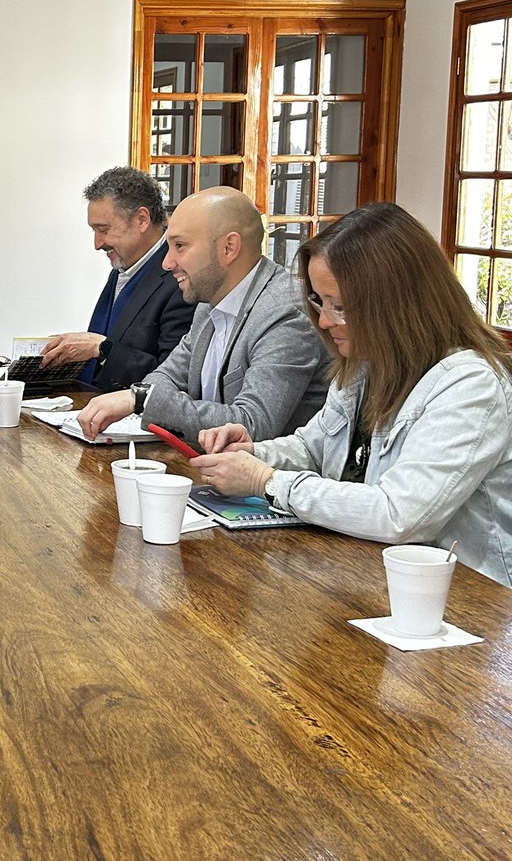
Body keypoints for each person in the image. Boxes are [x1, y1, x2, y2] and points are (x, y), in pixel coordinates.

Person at [192, 202, 512, 587]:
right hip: (367, 575)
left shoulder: (469, 385)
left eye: (340, 306)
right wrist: (255, 453)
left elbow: (398, 514)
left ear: (396, 303)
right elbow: (314, 447)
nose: (324, 321)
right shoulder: (365, 364)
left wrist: (268, 481)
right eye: (320, 302)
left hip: (466, 603)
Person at [78, 186, 329, 442]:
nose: (167, 263)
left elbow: (252, 424)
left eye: (180, 246)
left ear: (229, 248)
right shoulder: (209, 303)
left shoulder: (285, 313)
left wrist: (141, 400)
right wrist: (141, 397)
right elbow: (167, 376)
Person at [40, 167, 194, 389]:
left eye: (103, 229)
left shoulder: (180, 279)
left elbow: (174, 377)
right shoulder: (122, 266)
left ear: (142, 220)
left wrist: (102, 349)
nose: (97, 244)